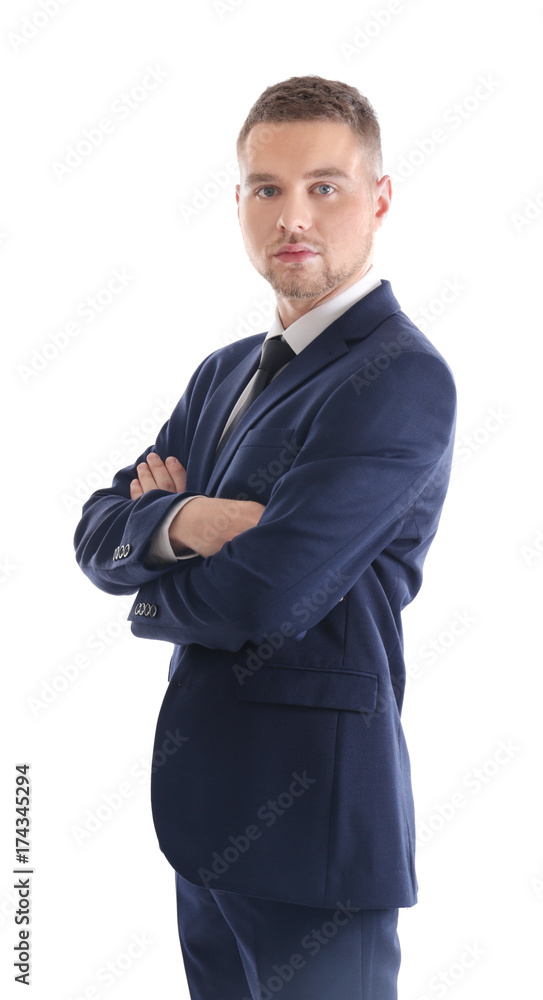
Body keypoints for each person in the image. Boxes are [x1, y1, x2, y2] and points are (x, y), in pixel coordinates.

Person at [74, 75, 457, 1000]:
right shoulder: (222, 375)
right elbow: (95, 529)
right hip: (207, 823)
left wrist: (152, 566)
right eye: (266, 189)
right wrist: (189, 520)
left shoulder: (399, 377)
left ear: (379, 199)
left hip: (315, 839)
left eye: (324, 186)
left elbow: (267, 592)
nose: (294, 216)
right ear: (240, 201)